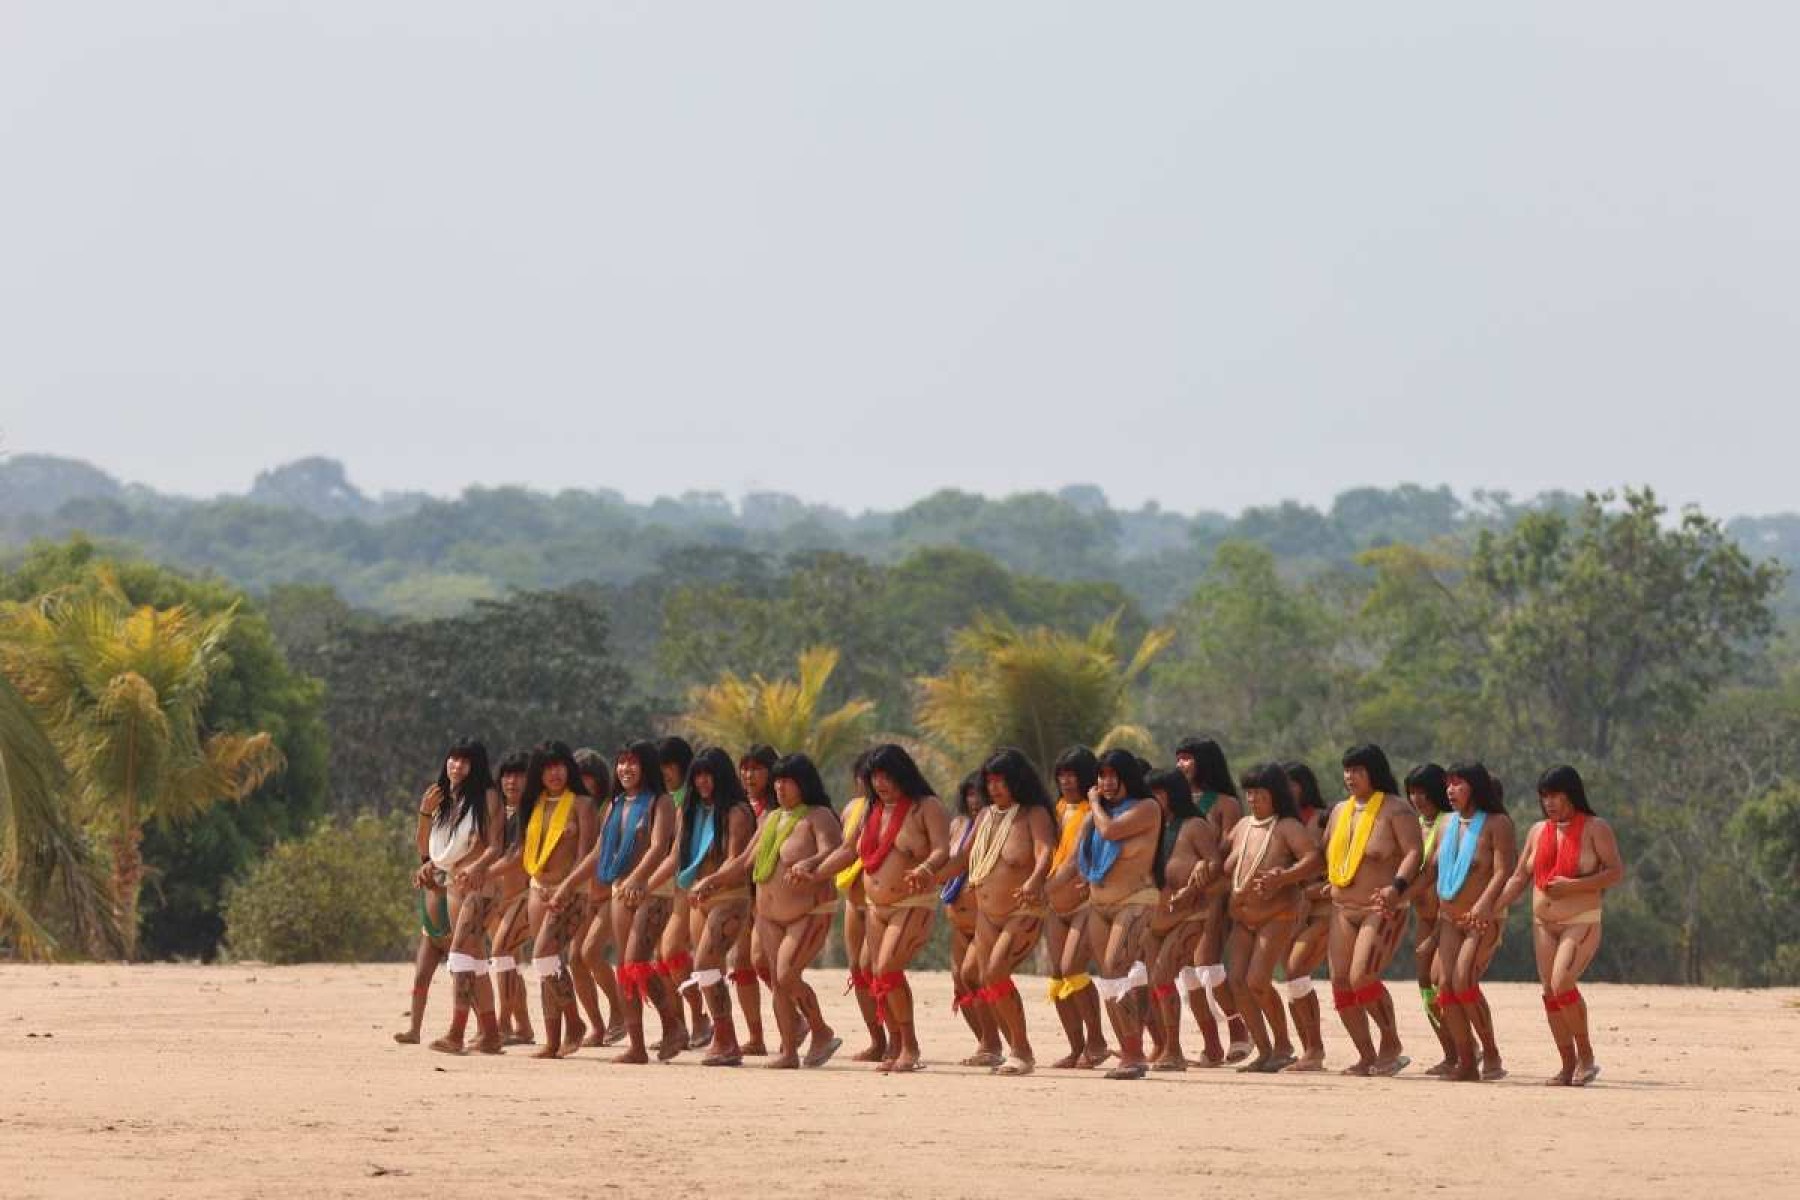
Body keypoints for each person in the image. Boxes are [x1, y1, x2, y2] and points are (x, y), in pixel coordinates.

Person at [797, 743, 948, 1072]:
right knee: (869, 972)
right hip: (873, 906)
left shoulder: (926, 807)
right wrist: (816, 871)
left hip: (911, 902)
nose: (880, 784)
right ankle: (894, 1043)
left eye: (887, 776)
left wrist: (925, 868)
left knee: (887, 970)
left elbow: (941, 850)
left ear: (903, 774)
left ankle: (910, 1046)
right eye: (875, 777)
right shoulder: (871, 809)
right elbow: (849, 851)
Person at [1491, 764, 1625, 1086]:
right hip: (1544, 923)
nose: (1549, 803)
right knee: (1550, 992)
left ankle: (1587, 1056)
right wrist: (1492, 909)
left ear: (1572, 794)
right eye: (1544, 796)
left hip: (1580, 920)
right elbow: (1521, 876)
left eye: (1555, 795)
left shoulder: (1596, 828)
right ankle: (1567, 1064)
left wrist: (1573, 886)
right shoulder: (1538, 831)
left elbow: (1615, 872)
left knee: (1562, 981)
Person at [563, 740, 682, 1064]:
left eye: (633, 762)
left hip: (652, 892)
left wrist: (639, 878)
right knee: (625, 970)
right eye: (621, 762)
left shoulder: (662, 802)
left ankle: (673, 1024)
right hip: (619, 890)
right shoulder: (616, 803)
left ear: (646, 767)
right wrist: (569, 884)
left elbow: (659, 847)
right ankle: (639, 1046)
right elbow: (599, 850)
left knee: (636, 963)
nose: (626, 769)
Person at [1050, 749, 1161, 1080]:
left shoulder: (1147, 808)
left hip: (1136, 900)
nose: (1106, 783)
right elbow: (1072, 862)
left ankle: (1136, 1052)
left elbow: (1111, 831)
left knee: (1116, 965)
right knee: (1110, 980)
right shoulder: (1095, 817)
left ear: (1127, 777)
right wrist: (1043, 890)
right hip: (1099, 905)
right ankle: (1131, 1051)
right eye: (1102, 776)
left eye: (1113, 776)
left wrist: (1094, 803)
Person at [736, 754, 843, 1068]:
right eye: (778, 780)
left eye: (787, 781)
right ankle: (789, 1052)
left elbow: (832, 849)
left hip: (806, 912)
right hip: (768, 915)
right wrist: (712, 881)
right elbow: (746, 861)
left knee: (786, 975)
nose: (780, 786)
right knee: (777, 980)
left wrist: (810, 863)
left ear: (803, 783)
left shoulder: (819, 815)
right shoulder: (770, 818)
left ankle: (821, 1030)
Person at [1325, 743, 1424, 1076]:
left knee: (1362, 977)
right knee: (1340, 982)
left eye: (1358, 771)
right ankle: (1366, 1054)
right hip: (1342, 907)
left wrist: (1397, 887)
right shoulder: (1340, 811)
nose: (1350, 777)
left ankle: (1391, 1043)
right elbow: (1328, 852)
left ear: (1374, 772)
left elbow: (1414, 852)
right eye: (1347, 770)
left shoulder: (1397, 810)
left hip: (1380, 906)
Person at [1222, 762, 1323, 1072]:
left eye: (1259, 793)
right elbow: (1221, 858)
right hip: (1242, 916)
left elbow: (1314, 860)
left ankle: (1283, 1045)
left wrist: (1284, 877)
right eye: (1249, 792)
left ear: (1275, 794)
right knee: (1237, 983)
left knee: (1257, 981)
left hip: (1277, 914)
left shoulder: (1287, 827)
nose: (1253, 799)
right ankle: (1264, 1050)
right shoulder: (1242, 826)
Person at [964, 748, 1056, 1076]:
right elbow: (962, 859)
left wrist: (1033, 881)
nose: (995, 788)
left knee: (995, 973)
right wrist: (928, 873)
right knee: (971, 975)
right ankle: (1001, 1044)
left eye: (1001, 781)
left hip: (1023, 909)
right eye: (990, 782)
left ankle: (1022, 1049)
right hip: (986, 913)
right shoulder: (985, 816)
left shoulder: (1034, 814)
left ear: (1017, 781)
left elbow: (1046, 851)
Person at [1429, 761, 1517, 1082]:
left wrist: (1483, 906)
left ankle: (1491, 1052)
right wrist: (1396, 891)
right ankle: (1466, 1060)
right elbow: (1431, 870)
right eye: (1448, 784)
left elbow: (1502, 871)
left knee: (1464, 980)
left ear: (1475, 787)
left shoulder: (1498, 824)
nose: (1450, 790)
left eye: (1458, 784)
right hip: (1450, 918)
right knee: (1445, 986)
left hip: (1480, 918)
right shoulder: (1445, 824)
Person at [676, 746, 758, 1066]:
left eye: (708, 774)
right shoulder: (693, 811)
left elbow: (736, 861)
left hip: (731, 897)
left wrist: (708, 883)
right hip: (702, 898)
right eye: (697, 775)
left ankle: (727, 1039)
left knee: (705, 963)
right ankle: (725, 1038)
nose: (702, 781)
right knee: (709, 969)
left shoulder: (736, 812)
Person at [520, 741, 600, 1059]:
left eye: (559, 765)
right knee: (547, 966)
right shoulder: (535, 804)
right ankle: (552, 1041)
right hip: (538, 889)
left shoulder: (582, 804)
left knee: (543, 955)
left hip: (571, 891)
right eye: (547, 767)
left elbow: (588, 855)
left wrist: (567, 886)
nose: (553, 773)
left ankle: (575, 1022)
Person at [426, 738, 506, 1055]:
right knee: (473, 958)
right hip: (455, 884)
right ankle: (490, 1033)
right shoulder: (449, 799)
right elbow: (437, 848)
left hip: (481, 886)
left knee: (459, 955)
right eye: (453, 759)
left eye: (464, 761)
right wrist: (429, 865)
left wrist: (478, 867)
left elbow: (495, 846)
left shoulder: (487, 797)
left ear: (476, 767)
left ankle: (456, 1033)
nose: (457, 766)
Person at [1174, 736, 1251, 1060]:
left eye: (1188, 758)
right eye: (1178, 758)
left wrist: (1205, 872)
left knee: (1207, 964)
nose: (1181, 764)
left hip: (1214, 891)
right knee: (1186, 972)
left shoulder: (1225, 804)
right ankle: (1211, 1044)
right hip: (1180, 895)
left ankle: (1239, 1031)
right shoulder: (1174, 801)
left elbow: (1231, 847)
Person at [1043, 746, 1112, 1069]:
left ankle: (1097, 1042)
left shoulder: (1093, 812)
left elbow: (1075, 861)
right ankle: (1077, 1047)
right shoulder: (1055, 809)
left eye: (1073, 775)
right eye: (1062, 775)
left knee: (1073, 968)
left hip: (1084, 903)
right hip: (1055, 906)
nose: (1067, 781)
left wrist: (1042, 888)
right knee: (1058, 975)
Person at [1141, 767, 1208, 1070]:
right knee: (1155, 983)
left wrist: (1197, 879)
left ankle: (1175, 1050)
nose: (1153, 799)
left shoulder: (1194, 825)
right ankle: (1165, 1046)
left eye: (1159, 793)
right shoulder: (1150, 826)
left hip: (1189, 915)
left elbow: (1215, 862)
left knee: (1162, 978)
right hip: (1156, 920)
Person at [941, 771, 1003, 1067]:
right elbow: (948, 860)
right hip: (957, 919)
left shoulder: (997, 825)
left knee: (973, 976)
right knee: (960, 983)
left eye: (980, 794)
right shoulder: (956, 825)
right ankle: (985, 1042)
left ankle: (995, 1042)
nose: (975, 800)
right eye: (970, 794)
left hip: (983, 919)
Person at [653, 735, 709, 1046]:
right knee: (659, 959)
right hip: (662, 888)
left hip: (685, 885)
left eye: (669, 767)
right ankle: (677, 1027)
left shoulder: (688, 800)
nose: (664, 773)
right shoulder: (660, 799)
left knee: (672, 952)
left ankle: (700, 1017)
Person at [394, 764, 455, 1046]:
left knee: (465, 975)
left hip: (453, 912)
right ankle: (414, 1029)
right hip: (430, 921)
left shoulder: (462, 832)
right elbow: (422, 849)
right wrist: (424, 813)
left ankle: (481, 1028)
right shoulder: (435, 824)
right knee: (420, 977)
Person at [1403, 763, 1458, 1075]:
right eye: (1412, 792)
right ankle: (1449, 1050)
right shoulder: (1412, 825)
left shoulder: (1448, 824)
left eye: (1423, 792)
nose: (1417, 798)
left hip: (1445, 917)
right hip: (1422, 916)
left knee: (1442, 983)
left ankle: (1468, 1049)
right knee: (1425, 985)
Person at [833, 751, 886, 1062]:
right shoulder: (853, 808)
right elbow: (843, 849)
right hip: (853, 899)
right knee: (857, 969)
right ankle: (876, 1039)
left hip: (878, 901)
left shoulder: (895, 811)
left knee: (875, 968)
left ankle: (897, 1038)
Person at [569, 748, 625, 1048]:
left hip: (607, 895)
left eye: (590, 780)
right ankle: (596, 1025)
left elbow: (599, 853)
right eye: (580, 780)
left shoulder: (610, 809)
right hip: (582, 896)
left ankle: (619, 1012)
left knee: (590, 953)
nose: (585, 786)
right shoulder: (569, 808)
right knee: (575, 960)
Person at [1280, 761, 1333, 1070]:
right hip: (1291, 911)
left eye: (1292, 784)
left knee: (1296, 969)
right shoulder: (1281, 822)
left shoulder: (1323, 819)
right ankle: (1310, 1050)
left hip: (1323, 908)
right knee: (1294, 978)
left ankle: (1315, 1049)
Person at [730, 743, 779, 1056]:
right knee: (740, 964)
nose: (749, 775)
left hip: (767, 896)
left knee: (765, 963)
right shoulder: (737, 806)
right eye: (745, 768)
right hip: (738, 895)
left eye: (757, 768)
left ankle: (802, 1020)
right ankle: (756, 1035)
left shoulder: (778, 810)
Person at [487, 750, 536, 1045]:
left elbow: (518, 857)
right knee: (508, 963)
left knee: (501, 955)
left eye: (518, 775)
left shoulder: (533, 814)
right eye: (507, 774)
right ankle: (524, 1026)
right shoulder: (495, 814)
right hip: (496, 899)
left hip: (524, 897)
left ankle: (503, 1025)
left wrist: (482, 870)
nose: (512, 781)